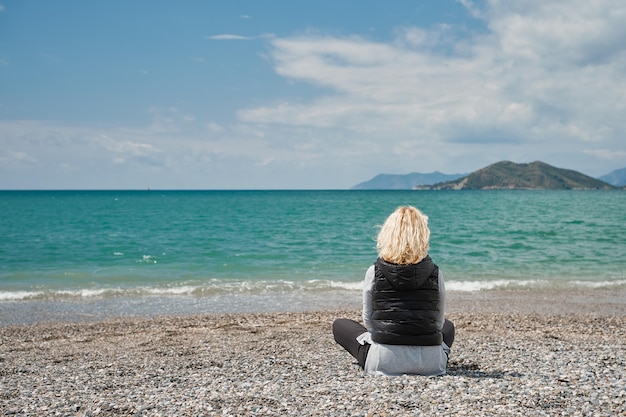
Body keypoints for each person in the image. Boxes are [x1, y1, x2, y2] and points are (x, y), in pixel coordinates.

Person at [333, 205, 455, 376]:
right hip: (431, 364)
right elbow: (438, 323)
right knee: (449, 327)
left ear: (388, 235)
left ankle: (387, 357)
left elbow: (369, 321)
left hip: (385, 361)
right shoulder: (436, 272)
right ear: (422, 236)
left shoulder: (374, 271)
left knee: (339, 325)